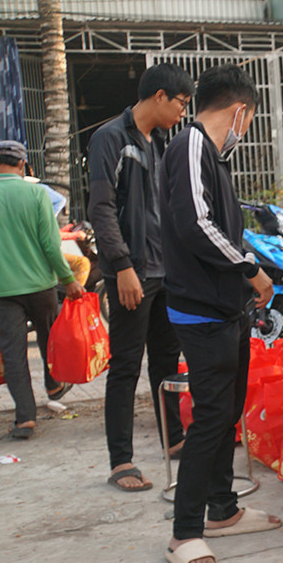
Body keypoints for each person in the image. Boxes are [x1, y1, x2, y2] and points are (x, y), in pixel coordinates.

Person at [160, 65, 283, 563]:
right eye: (249, 121)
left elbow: (219, 228)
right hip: (200, 309)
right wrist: (250, 268)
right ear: (240, 111)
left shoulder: (211, 155)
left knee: (226, 411)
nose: (245, 130)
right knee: (211, 416)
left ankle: (222, 509)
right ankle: (185, 532)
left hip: (224, 307)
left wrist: (247, 269)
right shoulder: (190, 144)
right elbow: (195, 224)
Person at [89, 63, 194, 492]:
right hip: (132, 272)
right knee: (126, 365)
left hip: (165, 271)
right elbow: (101, 208)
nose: (183, 113)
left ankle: (174, 439)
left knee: (166, 362)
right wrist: (122, 266)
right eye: (181, 103)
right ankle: (121, 461)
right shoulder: (111, 138)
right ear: (159, 96)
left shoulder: (161, 143)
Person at [0, 140, 85, 439]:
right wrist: (68, 280)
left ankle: (25, 418)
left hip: (2, 290)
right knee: (48, 336)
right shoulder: (37, 194)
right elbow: (50, 244)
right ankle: (53, 384)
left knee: (13, 354)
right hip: (41, 286)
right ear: (23, 165)